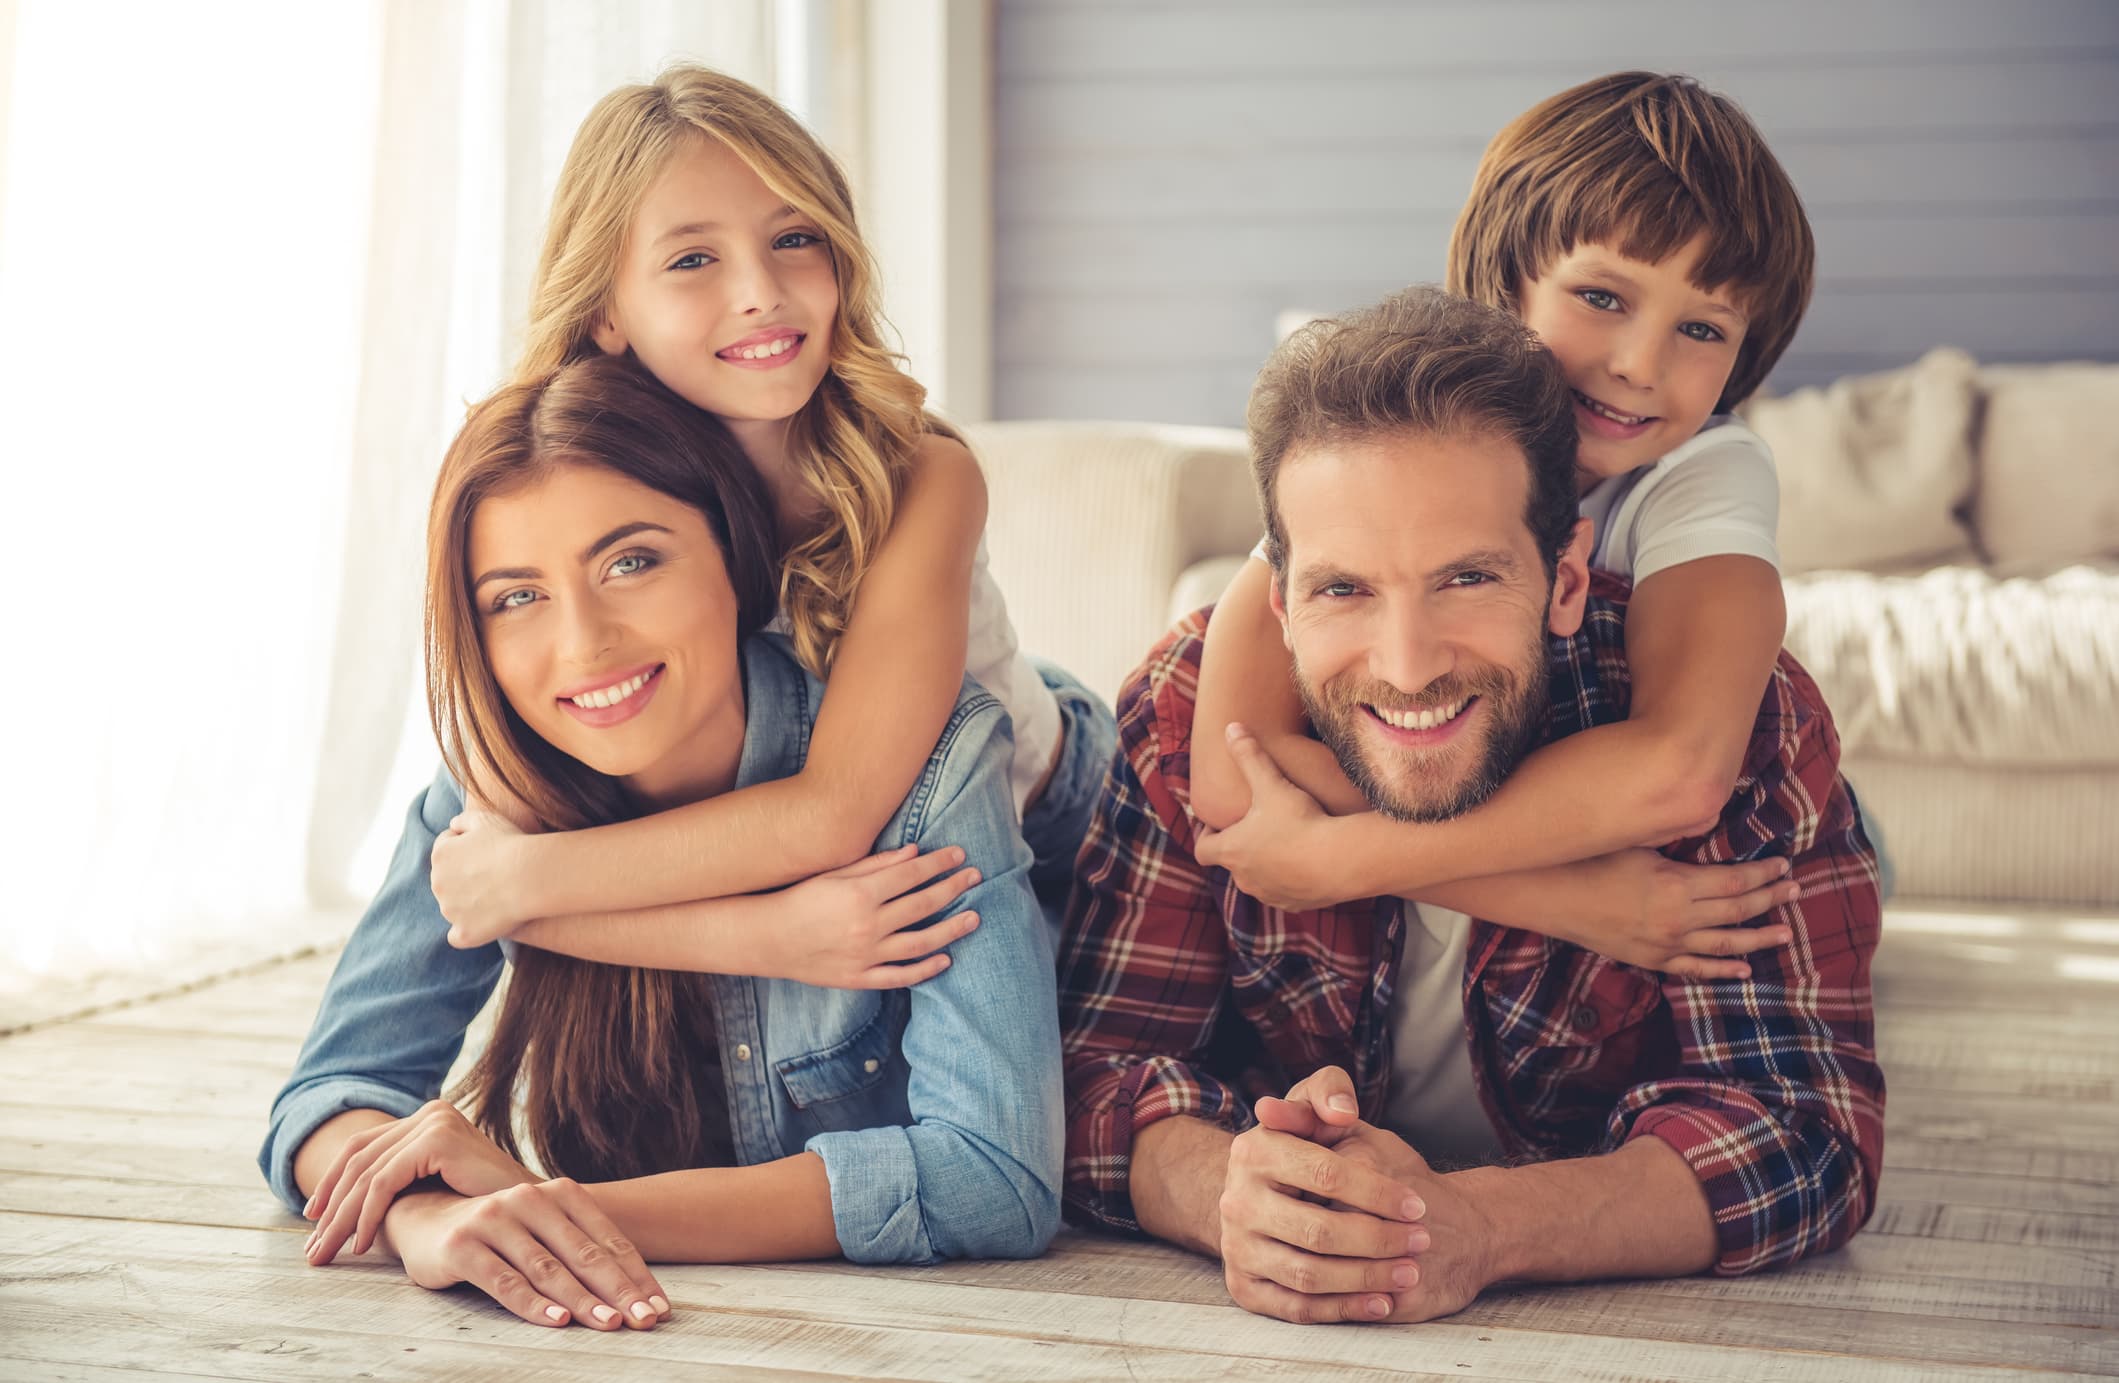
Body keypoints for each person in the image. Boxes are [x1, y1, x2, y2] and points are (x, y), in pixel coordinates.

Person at [1058, 287, 1884, 1326]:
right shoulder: (1192, 712)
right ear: (1278, 604)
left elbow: (1806, 1133)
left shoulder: (1742, 729)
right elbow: (1089, 1074)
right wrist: (1226, 1187)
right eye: (1342, 590)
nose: (1406, 667)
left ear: (1567, 580)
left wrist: (1480, 1225)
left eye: (1465, 577)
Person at [264, 354, 1062, 1331]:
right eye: (516, 596)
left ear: (733, 554)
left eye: (630, 561)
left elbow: (995, 1176)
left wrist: (548, 1206)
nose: (585, 642)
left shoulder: (930, 764)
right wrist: (430, 1216)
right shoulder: (490, 804)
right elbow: (330, 1091)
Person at [1189, 71, 1889, 964]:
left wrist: (1336, 854)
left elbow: (1679, 773)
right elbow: (1229, 769)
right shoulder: (1401, 439)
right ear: (1506, 282)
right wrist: (1570, 904)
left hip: (1767, 844)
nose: (1639, 363)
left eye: (1702, 330)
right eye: (1602, 298)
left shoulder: (1704, 466)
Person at [429, 64, 1114, 968]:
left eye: (794, 237)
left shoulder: (919, 474)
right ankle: (347, 1092)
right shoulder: (553, 470)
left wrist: (525, 887)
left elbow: (833, 815)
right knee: (447, 816)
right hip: (782, 816)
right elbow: (492, 775)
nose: (760, 290)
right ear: (603, 311)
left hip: (1048, 807)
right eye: (692, 259)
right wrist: (499, 877)